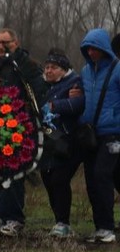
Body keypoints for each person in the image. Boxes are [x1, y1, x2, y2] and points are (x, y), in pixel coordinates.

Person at [0, 28, 47, 239]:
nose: (0, 47)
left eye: (5, 42)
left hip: (21, 128)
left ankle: (14, 219)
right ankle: (0, 218)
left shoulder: (27, 65)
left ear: (16, 42)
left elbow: (38, 92)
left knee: (14, 176)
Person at [77, 29, 120, 243]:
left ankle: (108, 228)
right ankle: (100, 227)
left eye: (95, 48)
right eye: (88, 49)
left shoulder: (117, 69)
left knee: (102, 175)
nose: (91, 52)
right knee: (93, 180)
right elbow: (83, 96)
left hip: (113, 133)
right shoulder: (85, 71)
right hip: (91, 133)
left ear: (104, 48)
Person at [39, 50, 84, 238]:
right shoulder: (44, 87)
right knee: (47, 179)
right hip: (47, 142)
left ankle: (63, 223)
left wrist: (53, 106)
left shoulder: (75, 83)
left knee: (59, 180)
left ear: (63, 69)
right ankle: (59, 221)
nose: (49, 71)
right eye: (47, 67)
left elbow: (78, 104)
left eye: (54, 67)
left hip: (68, 141)